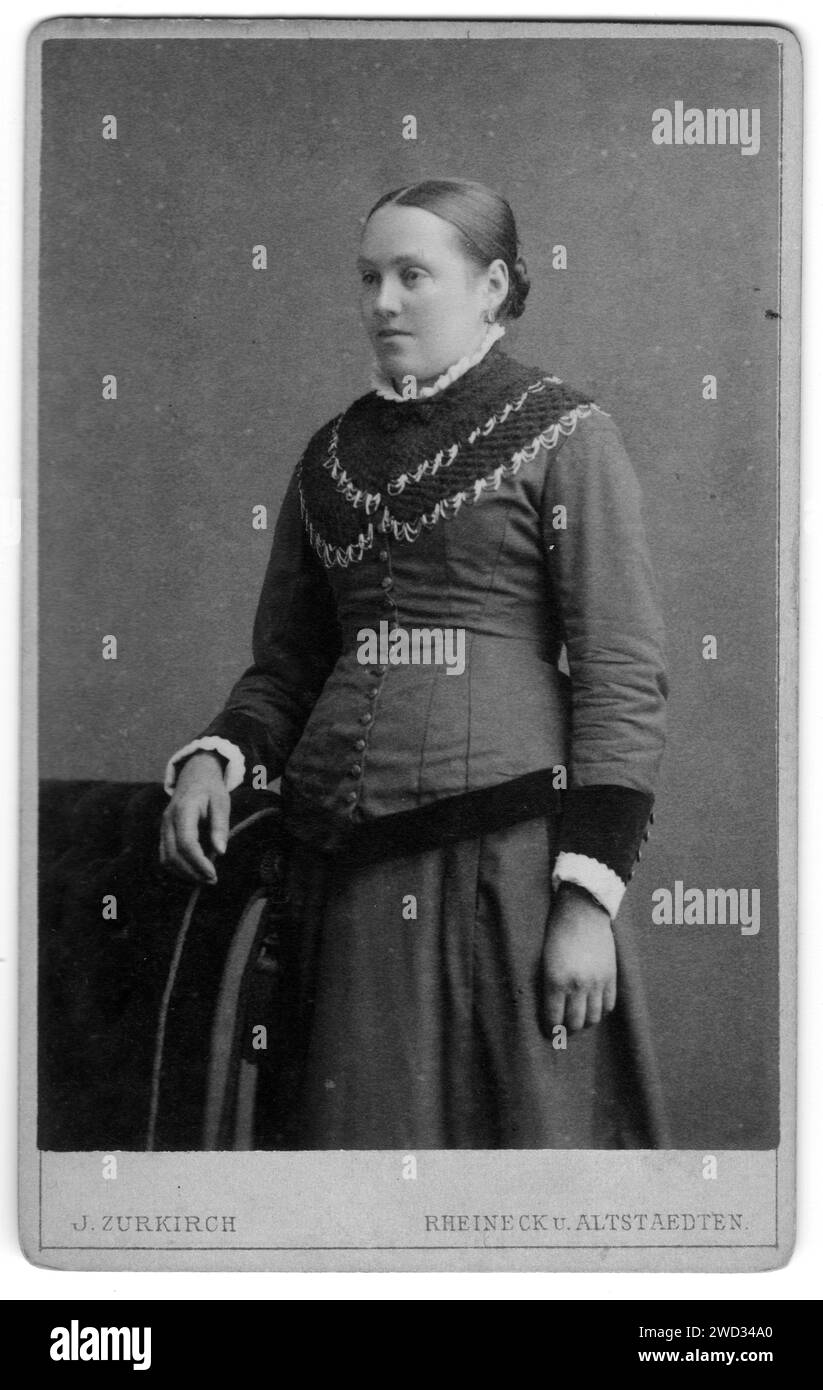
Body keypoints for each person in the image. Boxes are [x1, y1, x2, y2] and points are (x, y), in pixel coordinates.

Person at [160, 179, 668, 1149]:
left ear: (491, 286)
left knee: (508, 1173)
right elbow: (286, 669)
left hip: (506, 875)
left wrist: (584, 904)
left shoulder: (567, 437)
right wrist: (214, 757)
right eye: (368, 278)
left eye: (411, 276)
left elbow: (621, 674)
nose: (381, 302)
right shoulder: (329, 457)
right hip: (339, 888)